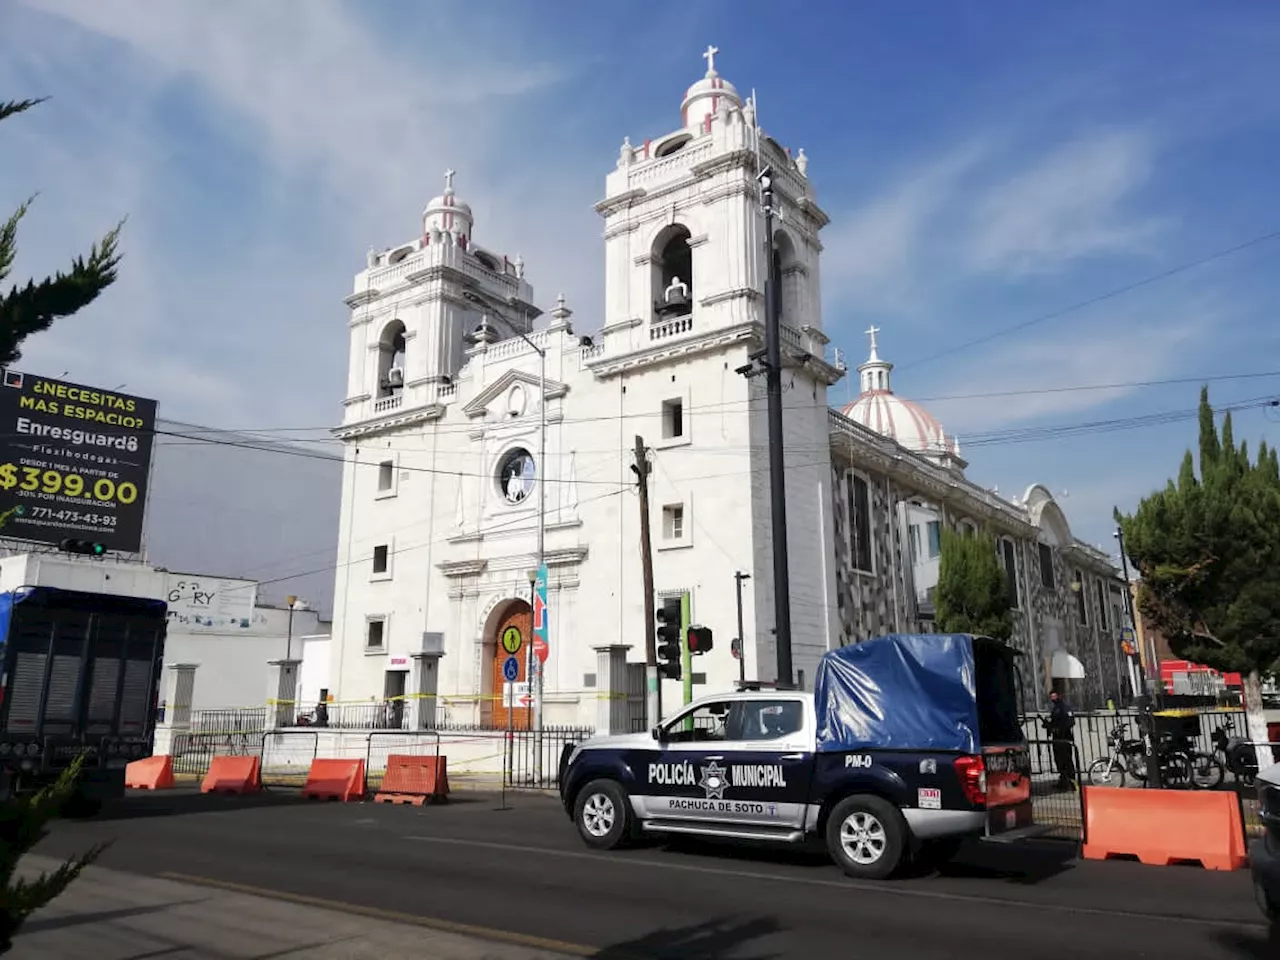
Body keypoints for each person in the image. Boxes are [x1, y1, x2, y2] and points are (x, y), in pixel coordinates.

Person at [1046, 690, 1077, 789]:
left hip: (1065, 738)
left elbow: (1071, 721)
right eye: (1051, 697)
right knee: (1059, 760)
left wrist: (1060, 729)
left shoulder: (1064, 707)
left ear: (1059, 696)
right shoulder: (1055, 708)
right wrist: (1049, 726)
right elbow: (1054, 722)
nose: (1053, 699)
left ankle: (1072, 783)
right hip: (1057, 739)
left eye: (1055, 696)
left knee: (1067, 760)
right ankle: (1063, 781)